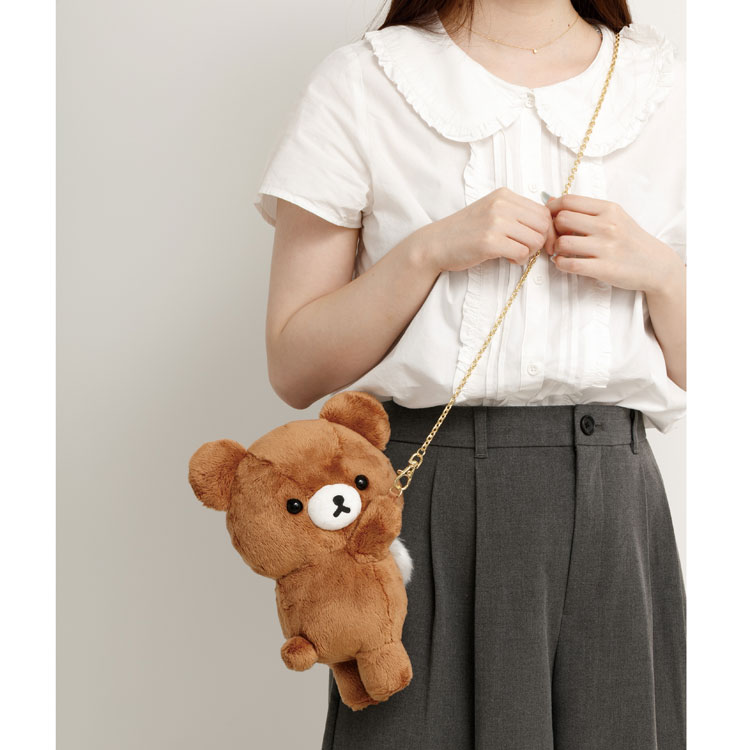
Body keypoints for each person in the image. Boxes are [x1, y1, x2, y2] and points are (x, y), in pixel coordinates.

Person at [254, 0, 686, 748]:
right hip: (426, 504)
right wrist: (427, 253)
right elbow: (294, 365)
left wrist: (665, 276)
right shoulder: (366, 82)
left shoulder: (665, 89)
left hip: (615, 513)